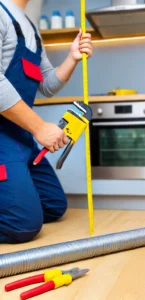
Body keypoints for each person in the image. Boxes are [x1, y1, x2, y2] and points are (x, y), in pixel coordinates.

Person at [0, 0, 93, 243]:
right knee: (21, 224)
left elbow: (47, 84)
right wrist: (40, 127)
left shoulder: (31, 28)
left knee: (53, 205)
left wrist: (72, 58)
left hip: (20, 136)